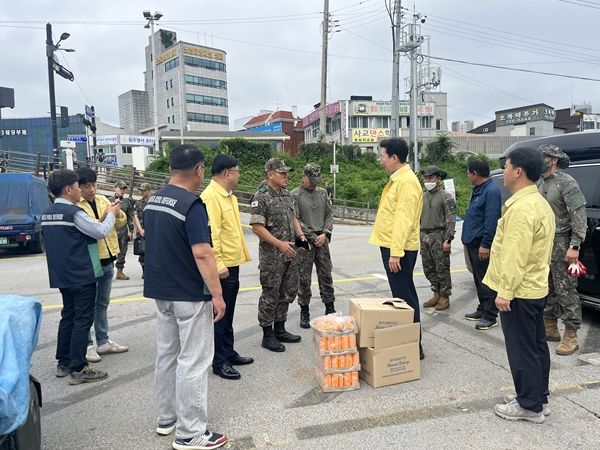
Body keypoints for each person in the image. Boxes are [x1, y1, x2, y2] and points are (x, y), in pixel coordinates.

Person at [144, 144, 228, 449]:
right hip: (188, 293)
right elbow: (203, 253)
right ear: (199, 170)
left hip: (161, 291)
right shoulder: (191, 205)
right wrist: (217, 295)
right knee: (193, 360)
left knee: (167, 355)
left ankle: (166, 418)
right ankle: (191, 432)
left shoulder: (154, 200)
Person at [483, 147, 555, 423]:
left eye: (506, 166)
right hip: (534, 288)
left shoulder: (522, 209)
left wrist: (505, 292)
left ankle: (529, 405)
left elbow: (515, 256)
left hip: (519, 292)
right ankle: (538, 397)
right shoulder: (538, 202)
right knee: (536, 346)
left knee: (522, 349)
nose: (503, 172)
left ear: (518, 171)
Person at [41, 169, 121, 385]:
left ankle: (64, 362)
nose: (80, 190)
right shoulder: (74, 213)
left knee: (68, 316)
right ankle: (79, 367)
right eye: (78, 186)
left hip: (62, 275)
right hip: (81, 275)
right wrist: (111, 213)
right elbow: (100, 232)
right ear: (68, 189)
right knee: (82, 319)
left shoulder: (47, 213)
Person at [368, 138, 424, 359]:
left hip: (398, 249)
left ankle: (413, 345)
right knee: (401, 296)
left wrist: (396, 253)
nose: (380, 160)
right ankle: (408, 341)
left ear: (394, 157)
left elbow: (404, 220)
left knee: (405, 297)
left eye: (382, 156)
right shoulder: (398, 180)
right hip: (394, 246)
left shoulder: (406, 182)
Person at [200, 155, 253, 381]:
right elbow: (212, 234)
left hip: (232, 263)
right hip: (221, 267)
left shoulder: (228, 196)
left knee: (228, 312)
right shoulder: (211, 197)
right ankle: (219, 361)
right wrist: (219, 264)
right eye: (237, 171)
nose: (239, 176)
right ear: (227, 173)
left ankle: (228, 351)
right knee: (220, 315)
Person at [250, 158, 307, 352]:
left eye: (286, 172)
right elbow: (257, 227)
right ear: (270, 175)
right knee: (270, 294)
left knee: (287, 292)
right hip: (272, 258)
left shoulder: (286, 195)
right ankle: (267, 334)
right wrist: (279, 244)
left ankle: (280, 328)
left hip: (289, 254)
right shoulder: (261, 197)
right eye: (282, 173)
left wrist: (301, 236)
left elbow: (294, 218)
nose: (286, 176)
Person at [537, 144, 587, 355]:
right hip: (543, 242)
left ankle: (571, 334)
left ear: (554, 159)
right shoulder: (539, 182)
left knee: (566, 289)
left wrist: (574, 246)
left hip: (562, 241)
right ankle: (549, 326)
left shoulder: (567, 182)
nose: (540, 160)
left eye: (543, 157)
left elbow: (579, 215)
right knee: (547, 286)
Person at [76, 168, 129, 363]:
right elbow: (92, 229)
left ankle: (103, 341)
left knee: (103, 303)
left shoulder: (102, 199)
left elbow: (120, 223)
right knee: (87, 305)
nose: (91, 189)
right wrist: (107, 215)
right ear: (78, 187)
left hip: (108, 257)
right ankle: (87, 345)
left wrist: (117, 212)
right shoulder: (77, 206)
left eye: (94, 185)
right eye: (86, 186)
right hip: (91, 260)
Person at [291, 163, 336, 328]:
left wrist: (325, 233)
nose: (314, 182)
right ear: (304, 176)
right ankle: (304, 310)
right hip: (305, 241)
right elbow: (295, 219)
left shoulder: (323, 193)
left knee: (326, 274)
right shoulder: (295, 195)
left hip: (322, 239)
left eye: (317, 179)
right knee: (303, 277)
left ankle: (329, 307)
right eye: (311, 179)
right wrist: (312, 236)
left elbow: (329, 215)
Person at [461, 159, 502, 330]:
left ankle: (490, 315)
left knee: (486, 280)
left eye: (468, 173)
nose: (467, 176)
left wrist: (486, 244)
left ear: (475, 174)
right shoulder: (479, 190)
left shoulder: (490, 191)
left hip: (481, 244)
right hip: (472, 243)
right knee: (478, 279)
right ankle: (482, 308)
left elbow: (491, 221)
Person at [420, 166, 456, 311]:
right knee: (428, 268)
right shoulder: (422, 196)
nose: (427, 181)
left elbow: (451, 218)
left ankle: (444, 296)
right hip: (424, 235)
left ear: (438, 179)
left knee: (442, 267)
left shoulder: (446, 196)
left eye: (431, 178)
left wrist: (448, 238)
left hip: (439, 235)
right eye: (426, 178)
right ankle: (436, 293)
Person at [111, 181, 134, 280]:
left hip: (123, 231)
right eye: (120, 188)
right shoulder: (108, 200)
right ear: (115, 188)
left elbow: (129, 217)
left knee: (122, 252)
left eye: (124, 189)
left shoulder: (127, 202)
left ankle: (119, 272)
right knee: (109, 252)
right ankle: (108, 272)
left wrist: (131, 230)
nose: (122, 190)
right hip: (111, 230)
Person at [133, 182, 152, 277]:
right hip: (142, 230)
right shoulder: (138, 202)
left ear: (148, 191)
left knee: (153, 251)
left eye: (143, 191)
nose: (141, 192)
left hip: (152, 230)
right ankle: (144, 271)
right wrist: (140, 229)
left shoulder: (153, 201)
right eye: (140, 190)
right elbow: (135, 216)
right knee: (142, 251)